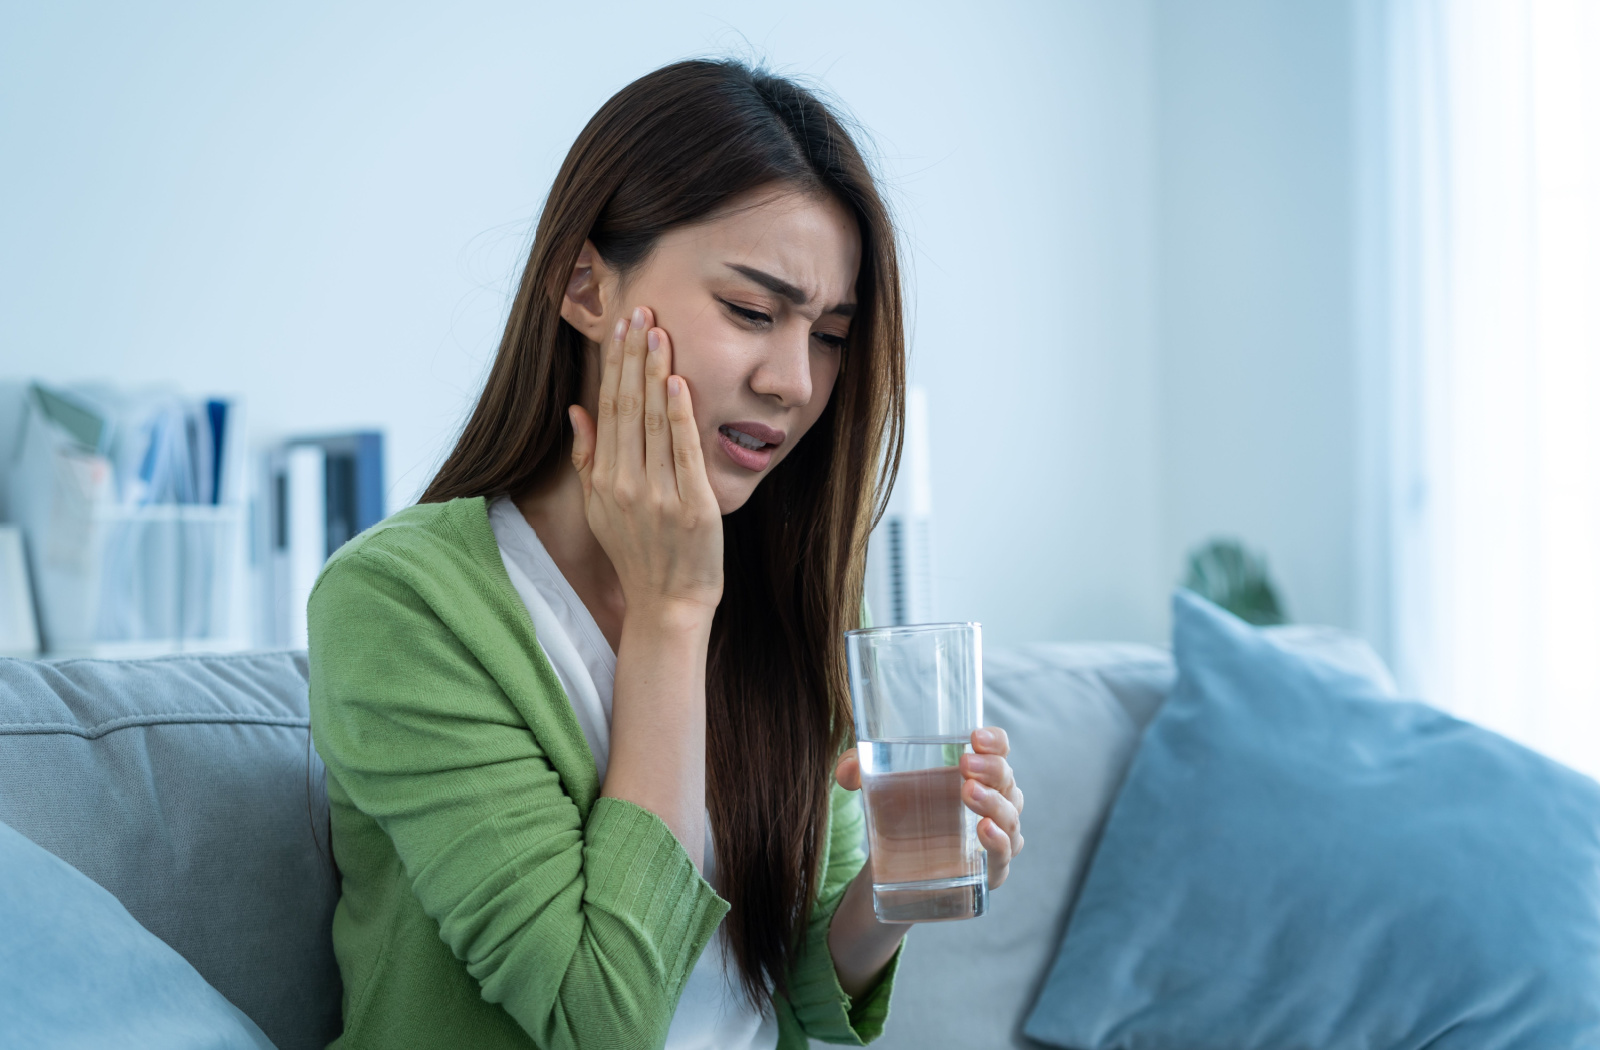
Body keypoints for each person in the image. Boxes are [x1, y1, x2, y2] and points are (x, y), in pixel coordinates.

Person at [308, 58, 1026, 1050]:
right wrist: (670, 613)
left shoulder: (786, 587)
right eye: (750, 311)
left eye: (828, 335)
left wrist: (901, 883)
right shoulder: (399, 604)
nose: (793, 382)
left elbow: (799, 994)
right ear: (585, 288)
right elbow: (598, 1021)